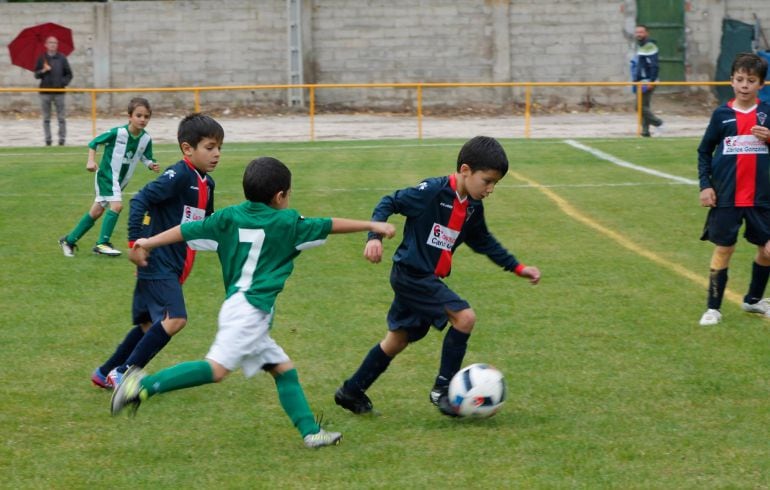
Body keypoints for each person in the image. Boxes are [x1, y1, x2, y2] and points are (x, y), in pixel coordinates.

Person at [110, 157, 396, 448]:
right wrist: (373, 225)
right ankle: (139, 385)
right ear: (280, 196)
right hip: (249, 311)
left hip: (242, 308)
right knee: (216, 369)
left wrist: (147, 242)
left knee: (283, 370)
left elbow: (184, 231)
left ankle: (311, 433)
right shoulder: (287, 223)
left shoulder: (229, 216)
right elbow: (330, 224)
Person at [333, 136, 540, 417]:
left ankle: (351, 390)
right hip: (412, 274)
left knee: (397, 340)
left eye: (495, 184)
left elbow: (484, 241)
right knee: (465, 317)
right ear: (465, 170)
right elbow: (389, 201)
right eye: (487, 180)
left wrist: (517, 267)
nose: (490, 189)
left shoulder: (473, 208)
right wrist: (375, 236)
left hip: (425, 278)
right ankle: (443, 391)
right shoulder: (431, 191)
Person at [90, 113, 224, 388]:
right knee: (175, 319)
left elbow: (205, 225)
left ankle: (104, 372)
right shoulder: (177, 175)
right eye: (209, 148)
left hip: (176, 263)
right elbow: (141, 199)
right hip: (157, 260)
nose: (216, 154)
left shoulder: (207, 184)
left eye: (219, 148)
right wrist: (135, 243)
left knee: (149, 325)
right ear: (187, 148)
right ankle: (125, 372)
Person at [698, 53, 770, 326]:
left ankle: (753, 300)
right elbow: (704, 151)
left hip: (760, 198)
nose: (744, 85)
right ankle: (713, 308)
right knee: (724, 248)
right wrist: (706, 186)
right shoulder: (721, 115)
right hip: (726, 196)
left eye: (751, 80)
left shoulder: (767, 113)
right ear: (731, 81)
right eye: (740, 79)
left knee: (767, 250)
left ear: (761, 84)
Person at [58, 97, 159, 258]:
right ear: (130, 116)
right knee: (117, 206)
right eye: (138, 115)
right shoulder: (117, 132)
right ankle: (102, 243)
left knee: (96, 211)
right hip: (107, 175)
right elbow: (94, 143)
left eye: (146, 116)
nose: (142, 119)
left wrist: (151, 164)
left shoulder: (146, 139)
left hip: (120, 180)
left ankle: (69, 241)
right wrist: (91, 161)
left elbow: (146, 157)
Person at [34, 36, 73, 146]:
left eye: (55, 43)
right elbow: (36, 75)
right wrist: (43, 70)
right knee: (46, 118)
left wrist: (62, 83)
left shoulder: (62, 58)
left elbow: (69, 74)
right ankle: (48, 140)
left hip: (59, 93)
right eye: (50, 43)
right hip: (45, 93)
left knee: (61, 118)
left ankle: (62, 139)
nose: (53, 45)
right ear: (46, 44)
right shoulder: (42, 58)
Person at [631, 25, 664, 137]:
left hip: (647, 81)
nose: (639, 34)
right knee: (644, 105)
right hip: (641, 81)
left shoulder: (649, 45)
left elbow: (655, 65)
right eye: (637, 32)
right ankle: (645, 131)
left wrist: (651, 81)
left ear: (646, 33)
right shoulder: (642, 46)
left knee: (639, 106)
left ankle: (659, 123)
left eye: (641, 32)